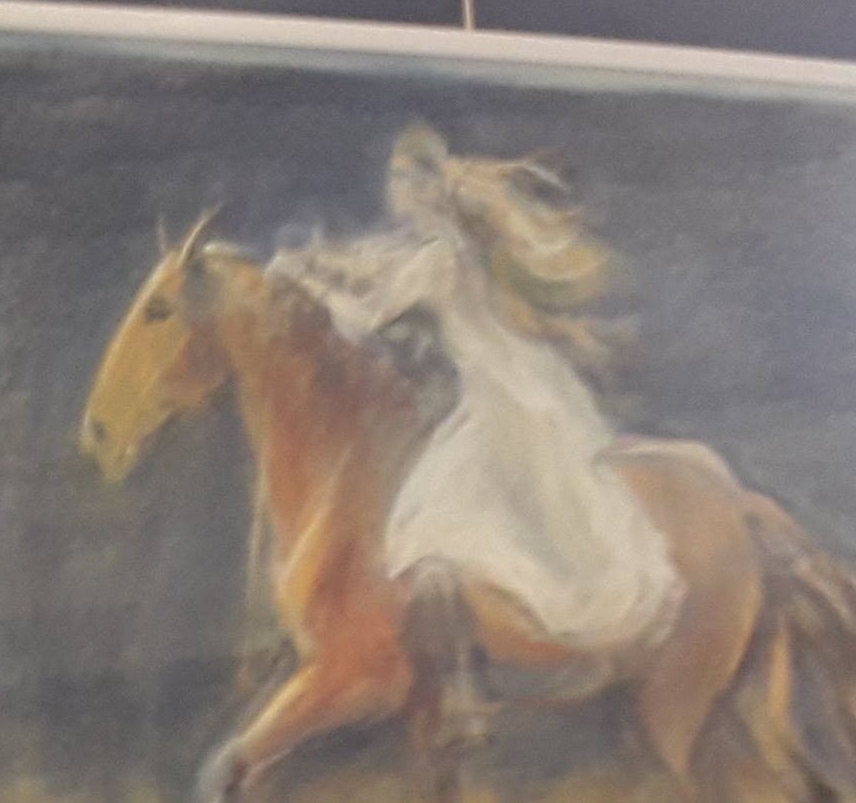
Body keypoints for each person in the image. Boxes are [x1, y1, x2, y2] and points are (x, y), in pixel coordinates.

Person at [274, 125, 675, 662]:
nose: (395, 192)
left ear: (425, 187)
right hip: (502, 380)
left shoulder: (441, 256)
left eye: (403, 180)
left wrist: (307, 288)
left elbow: (372, 313)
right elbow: (367, 263)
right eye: (394, 179)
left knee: (451, 514)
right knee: (449, 514)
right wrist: (312, 265)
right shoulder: (431, 246)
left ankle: (524, 640)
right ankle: (476, 652)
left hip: (504, 388)